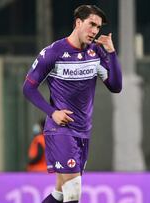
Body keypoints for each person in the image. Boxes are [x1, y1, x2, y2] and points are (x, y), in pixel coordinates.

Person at [23, 4, 122, 203]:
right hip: (61, 130)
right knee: (74, 190)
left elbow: (116, 86)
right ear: (78, 22)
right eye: (91, 24)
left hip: (83, 131)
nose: (95, 31)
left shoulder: (96, 52)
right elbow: (28, 88)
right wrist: (53, 113)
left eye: (98, 27)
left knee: (60, 194)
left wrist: (111, 52)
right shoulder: (53, 52)